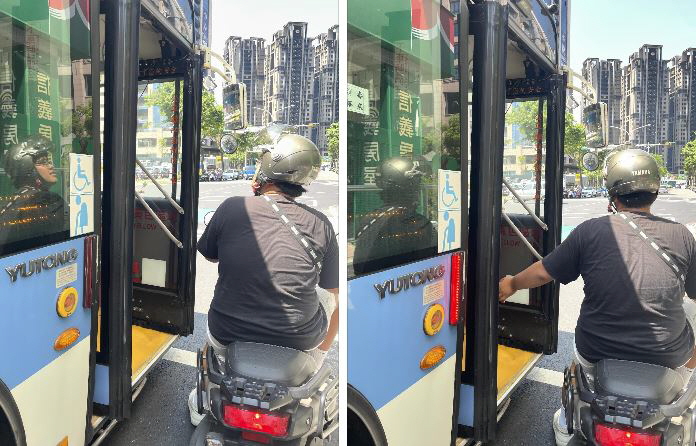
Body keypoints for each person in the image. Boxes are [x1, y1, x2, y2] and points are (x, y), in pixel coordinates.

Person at [497, 149, 696, 446]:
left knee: (577, 366)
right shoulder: (682, 235)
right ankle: (683, 404)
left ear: (612, 192)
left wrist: (511, 283)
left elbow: (542, 273)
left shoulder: (590, 231)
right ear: (654, 190)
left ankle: (566, 421)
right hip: (669, 357)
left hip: (596, 350)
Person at [189, 134, 338, 425]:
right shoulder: (321, 224)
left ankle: (201, 399)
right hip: (300, 340)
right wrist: (321, 351)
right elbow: (334, 294)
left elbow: (209, 255)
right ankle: (315, 364)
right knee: (329, 296)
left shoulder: (233, 207)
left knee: (213, 328)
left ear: (268, 168)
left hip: (226, 332)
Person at [352, 156, 436, 275]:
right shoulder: (419, 224)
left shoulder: (369, 219)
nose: (418, 190)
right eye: (416, 185)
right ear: (409, 188)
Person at [0, 137, 66, 246]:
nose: (51, 166)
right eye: (43, 162)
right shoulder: (45, 201)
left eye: (49, 161)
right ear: (28, 168)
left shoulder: (12, 201)